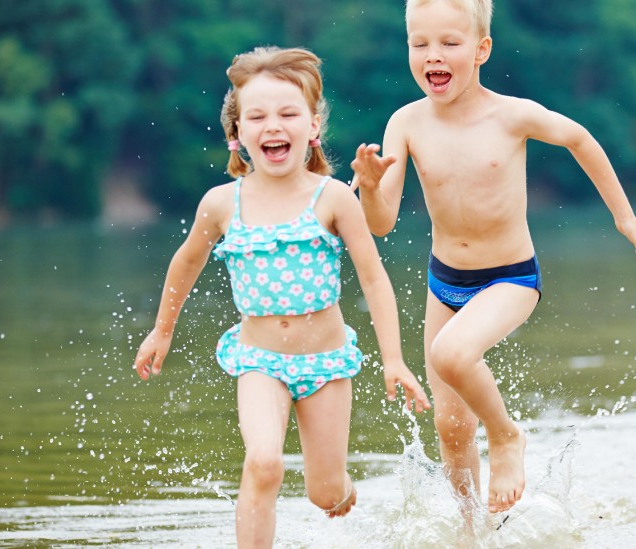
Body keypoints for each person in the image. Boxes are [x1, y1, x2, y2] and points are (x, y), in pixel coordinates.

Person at [350, 0, 636, 516]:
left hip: (510, 279)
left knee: (451, 355)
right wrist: (368, 189)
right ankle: (471, 530)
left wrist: (625, 218)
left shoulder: (511, 115)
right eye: (420, 44)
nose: (433, 55)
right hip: (444, 282)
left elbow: (578, 138)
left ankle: (506, 438)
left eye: (449, 44)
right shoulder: (405, 123)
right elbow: (382, 222)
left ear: (481, 50)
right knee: (452, 429)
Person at [132, 46, 430, 548]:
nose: (274, 125)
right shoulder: (222, 203)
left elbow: (375, 279)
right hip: (258, 360)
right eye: (258, 116)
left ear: (312, 126)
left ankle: (340, 489)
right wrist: (162, 331)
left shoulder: (333, 197)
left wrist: (394, 360)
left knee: (325, 494)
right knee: (264, 462)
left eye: (289, 114)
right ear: (238, 134)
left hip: (327, 363)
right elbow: (185, 263)